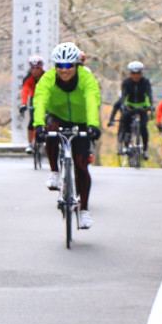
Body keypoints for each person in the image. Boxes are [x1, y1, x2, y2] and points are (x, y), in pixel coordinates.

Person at [32, 42, 102, 228]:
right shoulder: (47, 79)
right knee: (50, 132)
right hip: (58, 116)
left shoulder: (86, 78)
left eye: (69, 66)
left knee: (81, 166)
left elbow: (92, 100)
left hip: (81, 120)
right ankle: (55, 171)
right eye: (60, 66)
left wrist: (93, 125)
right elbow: (39, 100)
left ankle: (84, 211)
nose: (64, 70)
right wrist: (38, 124)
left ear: (77, 65)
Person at [108, 61, 154, 159]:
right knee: (125, 125)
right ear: (129, 73)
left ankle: (145, 150)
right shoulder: (126, 82)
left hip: (142, 106)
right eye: (133, 73)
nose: (136, 76)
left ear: (141, 73)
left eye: (138, 73)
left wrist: (151, 105)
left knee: (143, 127)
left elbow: (149, 94)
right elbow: (124, 95)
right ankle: (126, 145)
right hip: (130, 106)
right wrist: (123, 106)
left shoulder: (146, 82)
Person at [18, 55, 45, 153]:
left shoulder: (46, 76)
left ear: (41, 67)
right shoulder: (28, 78)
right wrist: (23, 104)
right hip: (34, 98)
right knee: (32, 121)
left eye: (37, 67)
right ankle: (30, 143)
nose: (35, 70)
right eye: (33, 68)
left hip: (46, 98)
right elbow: (25, 90)